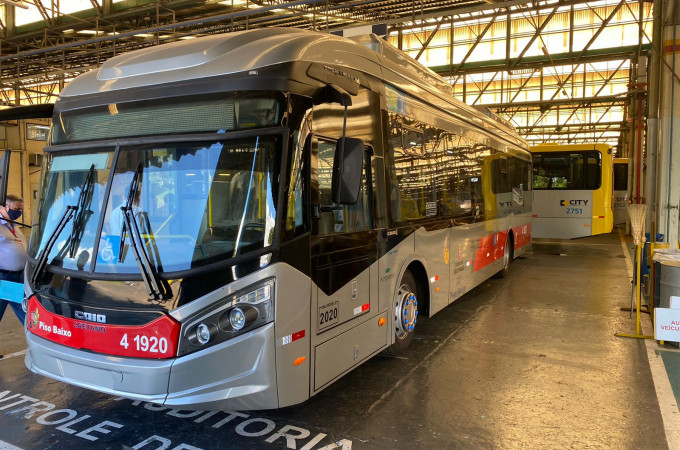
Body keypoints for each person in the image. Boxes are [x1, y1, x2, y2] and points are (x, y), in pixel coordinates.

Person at [0, 194, 27, 325]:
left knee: (26, 313)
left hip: (17, 278)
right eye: (16, 209)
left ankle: (36, 341)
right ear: (5, 206)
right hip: (3, 278)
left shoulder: (13, 225)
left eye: (20, 210)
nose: (18, 213)